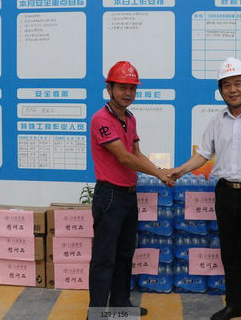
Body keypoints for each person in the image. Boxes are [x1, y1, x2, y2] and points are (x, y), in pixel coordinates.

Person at [168, 57, 241, 320]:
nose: (232, 90)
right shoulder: (217, 121)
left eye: (237, 84)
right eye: (226, 85)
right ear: (220, 90)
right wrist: (179, 170)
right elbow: (203, 154)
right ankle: (235, 305)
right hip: (225, 194)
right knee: (230, 255)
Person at [88, 61, 173, 319]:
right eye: (122, 87)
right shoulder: (101, 119)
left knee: (125, 254)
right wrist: (159, 174)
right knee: (104, 258)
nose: (128, 93)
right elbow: (124, 157)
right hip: (110, 196)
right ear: (110, 89)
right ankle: (96, 313)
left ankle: (120, 306)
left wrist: (160, 171)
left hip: (128, 195)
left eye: (132, 88)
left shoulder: (130, 118)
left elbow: (136, 153)